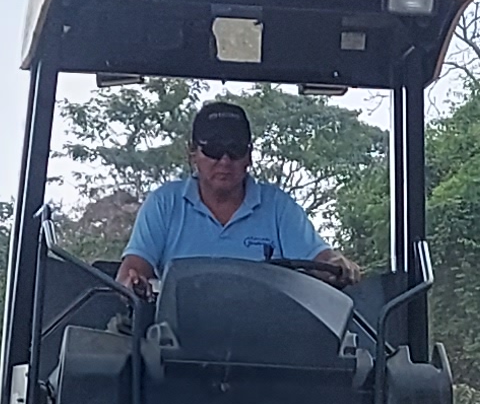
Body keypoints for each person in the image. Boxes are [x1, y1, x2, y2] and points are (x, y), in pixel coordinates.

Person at [115, 101, 356, 297]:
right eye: (213, 149)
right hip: (175, 338)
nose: (224, 161)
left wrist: (336, 264)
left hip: (266, 335)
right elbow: (132, 272)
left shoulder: (279, 207)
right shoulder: (163, 204)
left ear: (249, 156)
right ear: (192, 153)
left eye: (235, 149)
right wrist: (134, 284)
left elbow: (319, 260)